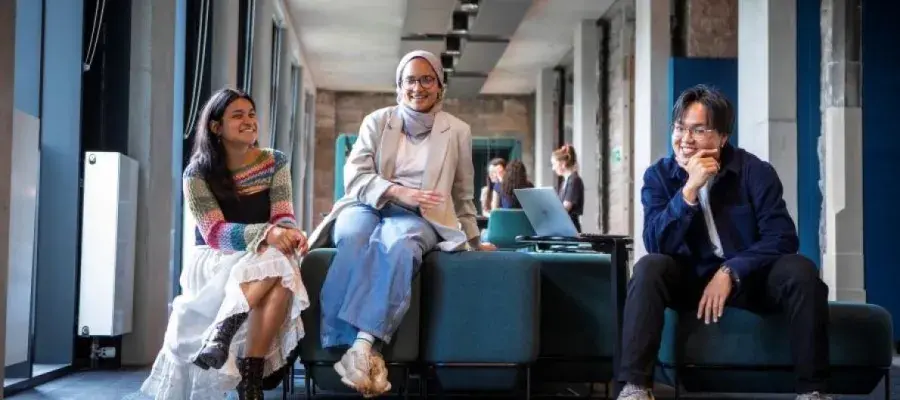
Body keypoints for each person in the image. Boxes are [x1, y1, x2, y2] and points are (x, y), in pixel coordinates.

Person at [616, 85, 830, 400]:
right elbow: (656, 241)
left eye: (698, 130)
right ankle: (635, 387)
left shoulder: (754, 172)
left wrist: (731, 271)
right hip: (689, 280)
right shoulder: (658, 177)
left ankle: (813, 391)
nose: (685, 139)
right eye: (679, 128)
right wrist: (688, 191)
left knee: (801, 270)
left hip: (750, 280)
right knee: (649, 267)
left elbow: (782, 237)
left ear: (722, 138)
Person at [306, 50, 496, 397]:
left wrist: (472, 238)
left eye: (427, 79)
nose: (418, 87)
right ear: (399, 85)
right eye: (410, 79)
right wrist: (396, 191)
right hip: (367, 203)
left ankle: (362, 345)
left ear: (440, 86)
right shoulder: (377, 121)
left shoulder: (458, 131)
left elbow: (462, 193)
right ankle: (345, 348)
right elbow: (356, 176)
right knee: (354, 236)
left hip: (420, 215)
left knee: (399, 244)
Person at [140, 88, 310, 400]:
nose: (249, 121)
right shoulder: (197, 173)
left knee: (281, 261)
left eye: (251, 114)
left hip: (261, 257)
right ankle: (251, 381)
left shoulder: (275, 161)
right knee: (280, 266)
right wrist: (268, 234)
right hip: (216, 258)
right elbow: (214, 232)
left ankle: (224, 334)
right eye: (237, 115)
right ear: (216, 127)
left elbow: (283, 216)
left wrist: (290, 232)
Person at [551, 144, 584, 232]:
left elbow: (565, 208)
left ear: (563, 164)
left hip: (570, 229)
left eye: (554, 164)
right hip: (565, 228)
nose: (553, 168)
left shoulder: (574, 181)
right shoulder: (565, 182)